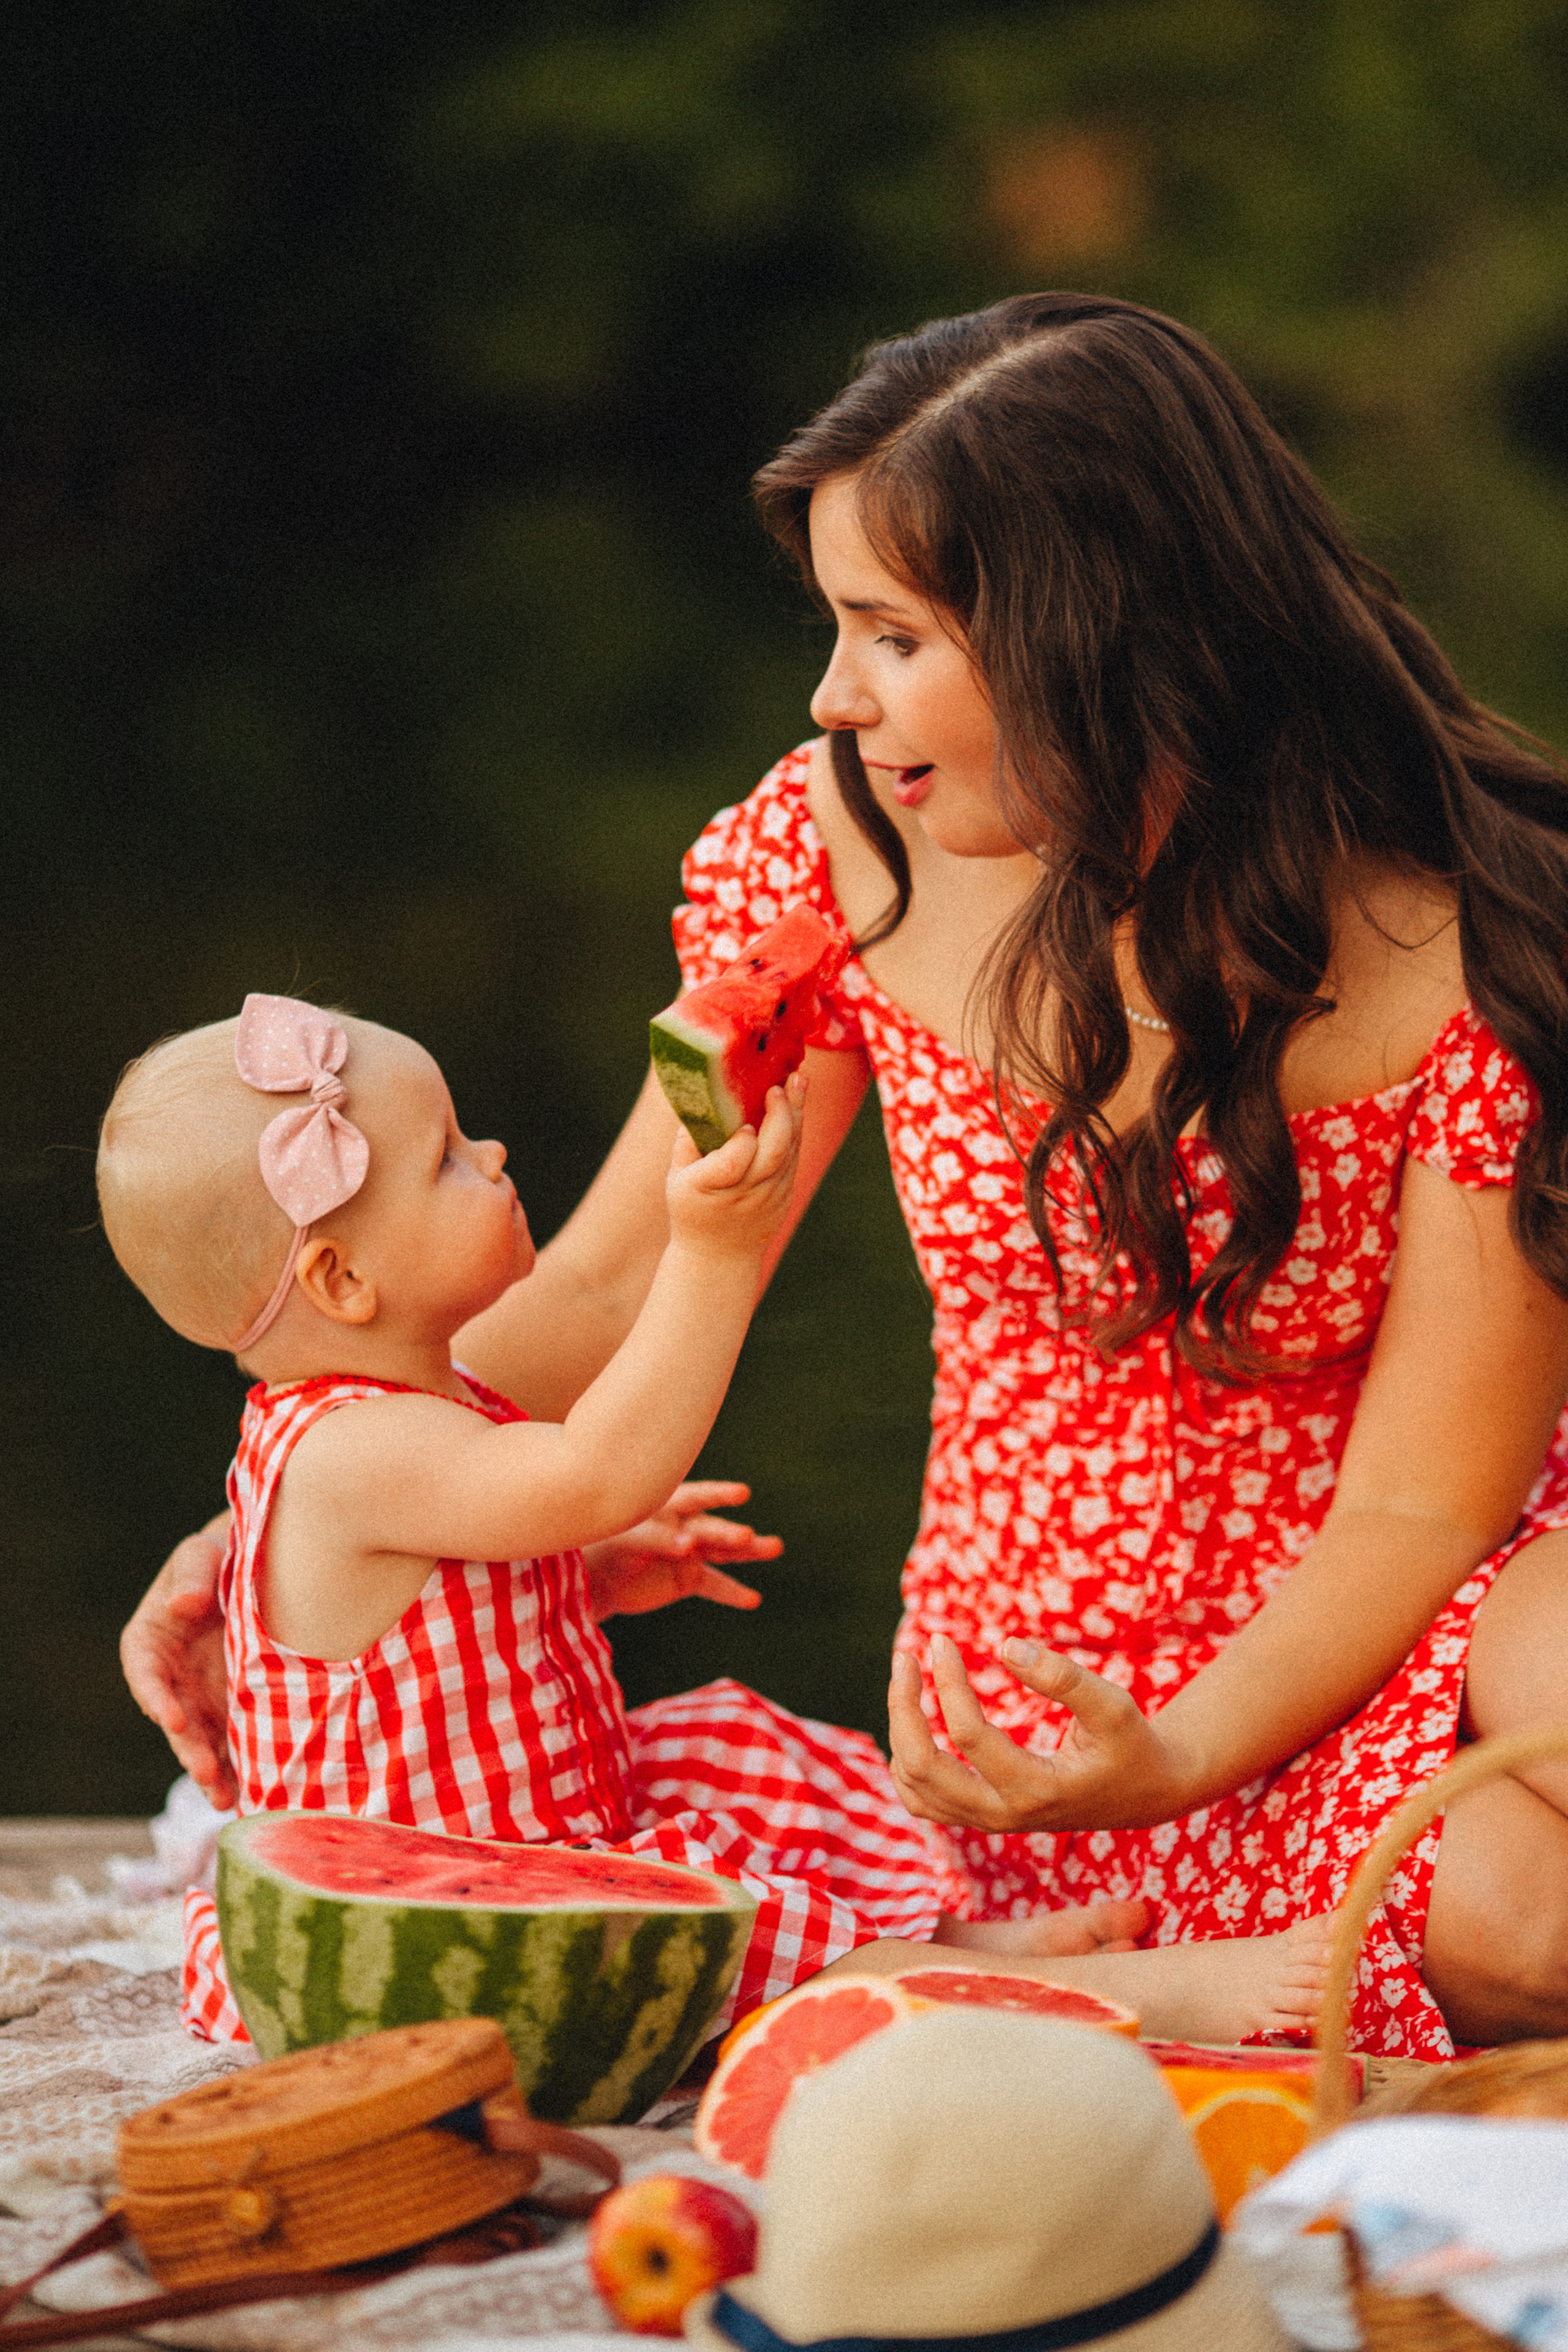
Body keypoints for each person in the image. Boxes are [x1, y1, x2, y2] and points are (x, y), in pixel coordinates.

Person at [123, 292, 1568, 2058]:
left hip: (1385, 1620)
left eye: (890, 634)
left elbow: (1420, 1514)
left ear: (1098, 637)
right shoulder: (828, 853)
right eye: (836, 627)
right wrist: (294, 1512)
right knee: (1520, 1919)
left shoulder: (1479, 968)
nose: (832, 694)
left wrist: (1185, 1747)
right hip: (1032, 1725)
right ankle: (1088, 1962)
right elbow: (597, 1286)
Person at [99, 992, 1147, 2043]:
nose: (495, 1153)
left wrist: (584, 1573)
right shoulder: (350, 1448)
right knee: (707, 1921)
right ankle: (999, 1985)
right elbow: (600, 1469)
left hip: (539, 1843)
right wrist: (716, 1253)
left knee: (738, 1763)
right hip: (439, 1918)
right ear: (343, 1280)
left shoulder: (416, 1408)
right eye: (449, 1160)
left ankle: (948, 1948)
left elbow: (444, 1612)